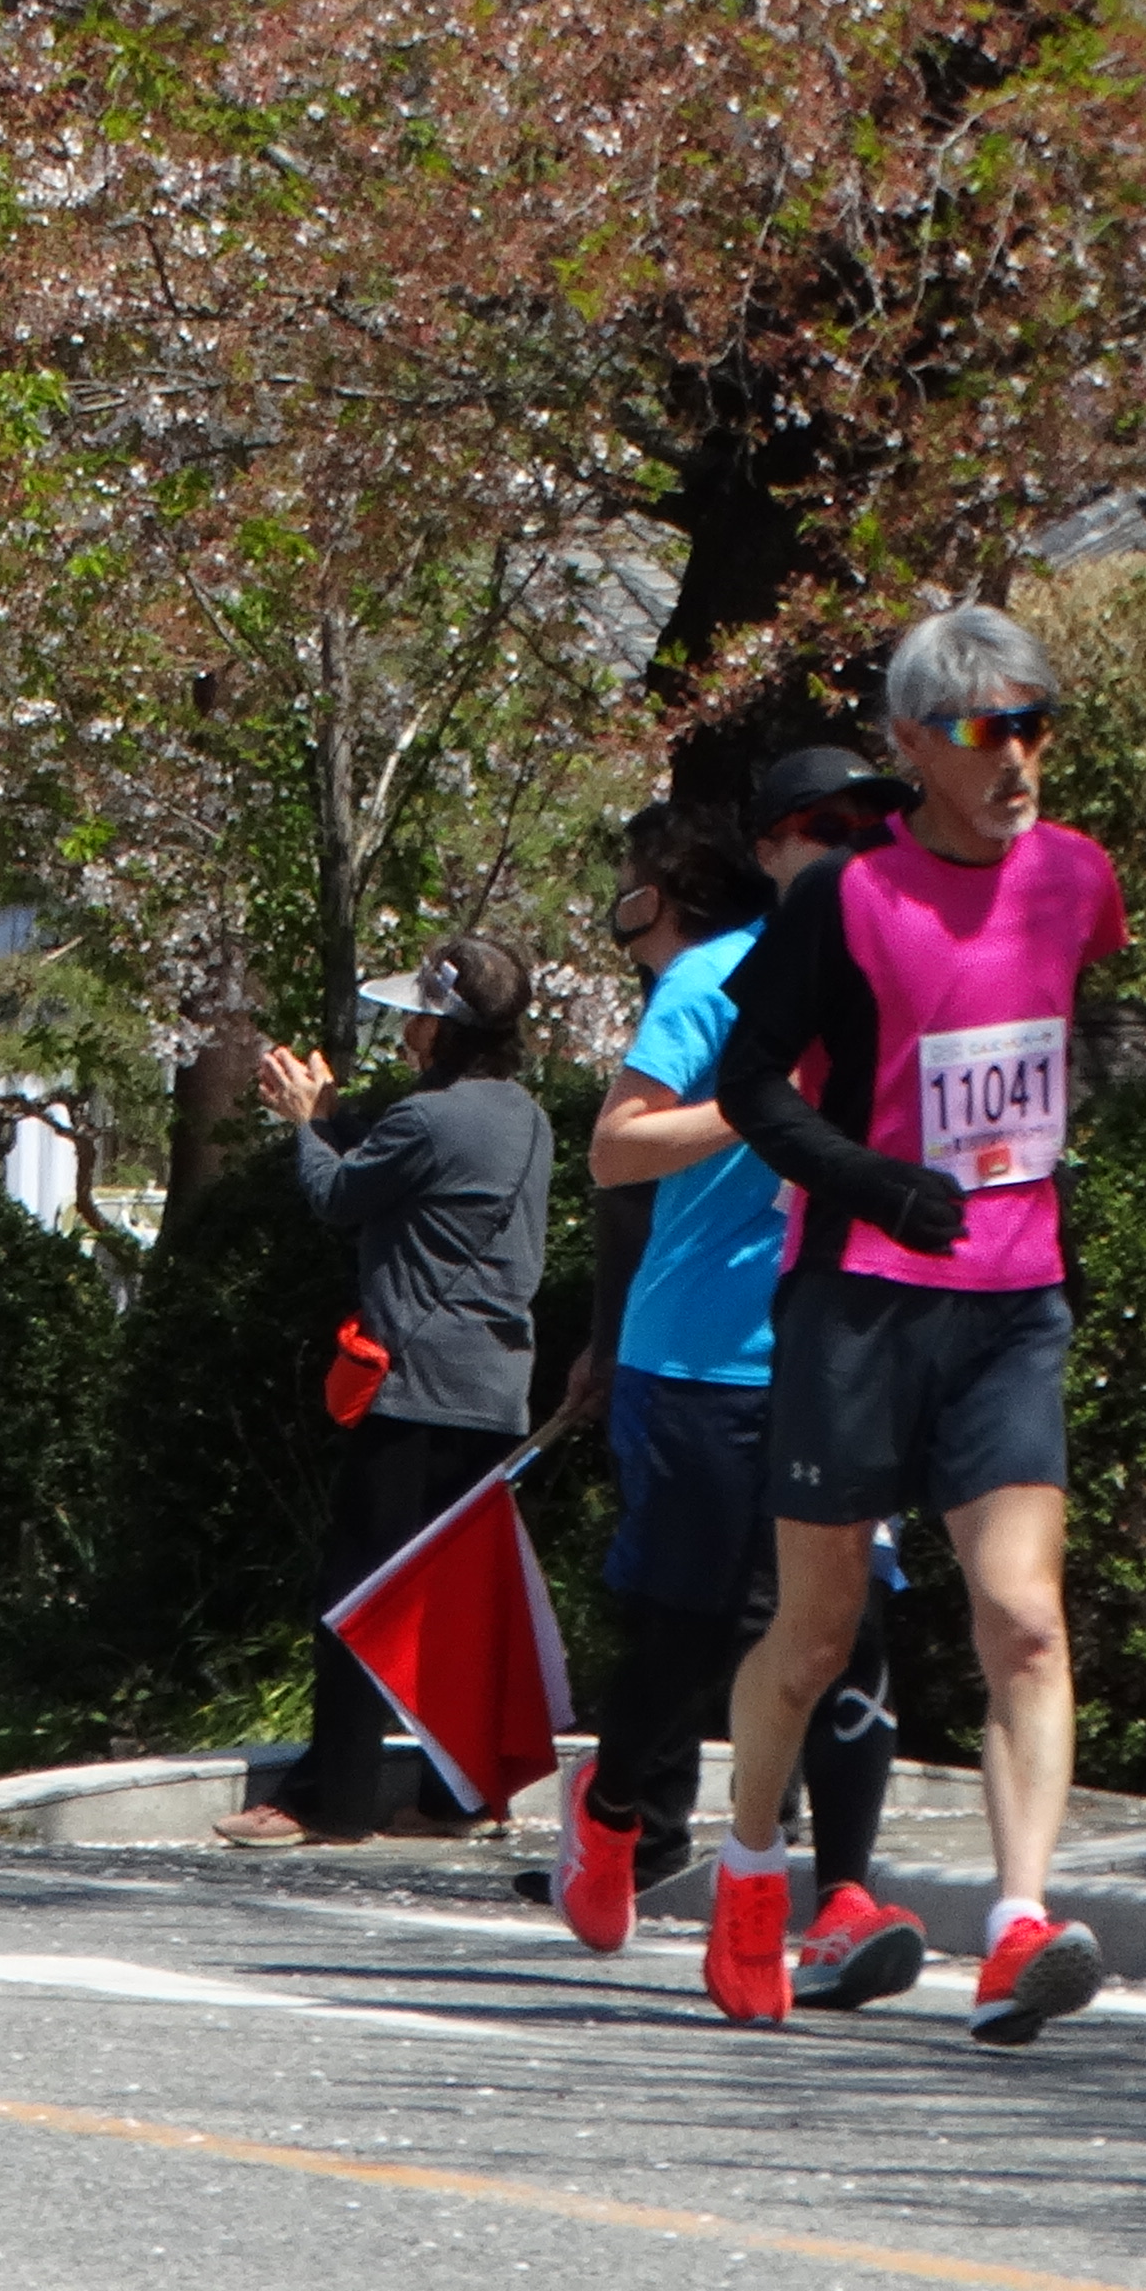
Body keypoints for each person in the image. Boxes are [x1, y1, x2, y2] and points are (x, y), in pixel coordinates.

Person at [709, 607, 1130, 2046]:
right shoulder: (846, 900)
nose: (1016, 757)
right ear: (911, 746)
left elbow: (1071, 1031)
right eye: (979, 730)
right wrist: (880, 1182)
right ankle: (753, 1869)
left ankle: (1017, 1927)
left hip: (1014, 1303)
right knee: (815, 1634)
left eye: (1035, 723)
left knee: (1022, 1617)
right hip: (857, 1300)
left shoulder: (1077, 877)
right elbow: (757, 1088)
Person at [552, 761, 922, 2008]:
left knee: (841, 1624)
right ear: (770, 851)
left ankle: (850, 1896)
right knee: (690, 1625)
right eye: (827, 829)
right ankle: (611, 1814)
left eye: (877, 826)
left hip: (846, 1344)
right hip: (701, 1355)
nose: (858, 844)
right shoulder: (716, 981)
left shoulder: (904, 984)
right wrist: (765, 1107)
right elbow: (616, 1148)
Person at [211, 935, 552, 1853]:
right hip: (495, 1389)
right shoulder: (522, 1113)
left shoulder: (431, 1119)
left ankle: (335, 1797)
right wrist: (333, 1119)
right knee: (454, 1603)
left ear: (441, 1029)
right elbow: (408, 1172)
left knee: (356, 1591)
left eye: (416, 1018)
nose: (405, 1033)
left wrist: (305, 1122)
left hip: (417, 1387)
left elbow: (339, 1196)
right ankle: (460, 1791)